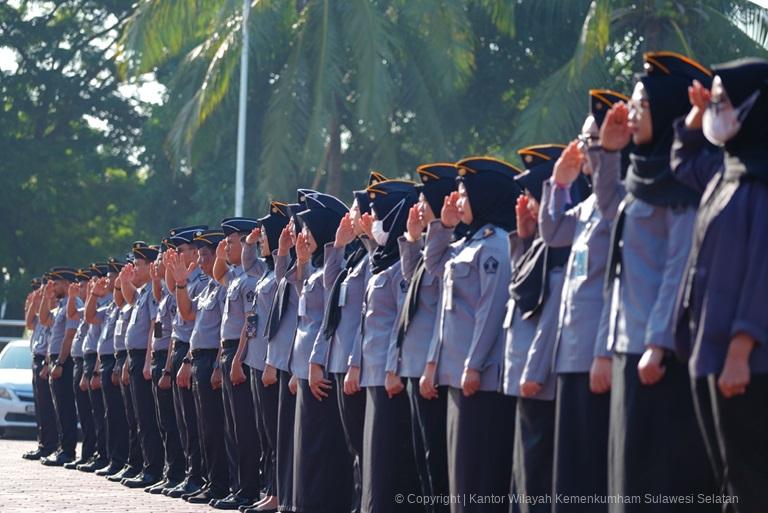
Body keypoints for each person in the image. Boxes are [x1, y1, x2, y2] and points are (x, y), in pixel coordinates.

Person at [595, 50, 718, 512]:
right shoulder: (642, 173)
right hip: (630, 344)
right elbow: (608, 210)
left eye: (642, 105)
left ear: (668, 109)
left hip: (658, 353)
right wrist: (608, 151)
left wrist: (659, 342)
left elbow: (678, 266)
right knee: (625, 479)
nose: (633, 112)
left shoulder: (681, 183)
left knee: (657, 480)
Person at [673, 58, 768, 513]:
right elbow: (682, 159)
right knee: (728, 479)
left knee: (751, 481)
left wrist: (740, 348)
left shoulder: (761, 182)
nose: (716, 110)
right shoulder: (726, 170)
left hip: (747, 362)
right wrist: (697, 116)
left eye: (723, 102)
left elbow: (763, 272)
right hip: (707, 351)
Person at [540, 90, 627, 512]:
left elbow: (616, 282)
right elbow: (552, 232)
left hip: (597, 351)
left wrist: (604, 352)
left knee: (594, 470)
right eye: (583, 139)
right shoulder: (590, 204)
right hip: (571, 352)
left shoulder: (619, 200)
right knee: (570, 470)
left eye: (593, 140)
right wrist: (558, 183)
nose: (585, 149)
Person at [423, 157, 517, 513]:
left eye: (463, 194)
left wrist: (474, 365)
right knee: (460, 473)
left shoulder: (495, 246)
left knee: (477, 475)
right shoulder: (468, 243)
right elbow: (433, 268)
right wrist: (441, 227)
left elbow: (490, 312)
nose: (457, 201)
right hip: (459, 373)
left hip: (480, 377)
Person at [388, 163, 459, 513]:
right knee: (423, 453)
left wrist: (437, 230)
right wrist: (413, 238)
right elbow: (410, 283)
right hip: (415, 364)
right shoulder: (433, 243)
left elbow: (442, 312)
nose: (417, 208)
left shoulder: (451, 246)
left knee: (438, 454)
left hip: (436, 366)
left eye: (423, 201)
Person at [312, 172, 383, 513]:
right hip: (341, 360)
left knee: (363, 447)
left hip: (356, 362)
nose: (350, 216)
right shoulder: (356, 255)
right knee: (354, 446)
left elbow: (366, 319)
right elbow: (331, 294)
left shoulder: (375, 258)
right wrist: (338, 246)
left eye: (355, 210)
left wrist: (354, 362)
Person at [350, 179, 422, 513]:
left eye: (378, 216)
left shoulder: (401, 266)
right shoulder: (382, 260)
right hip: (372, 372)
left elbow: (402, 323)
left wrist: (393, 367)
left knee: (388, 460)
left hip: (388, 374)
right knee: (373, 457)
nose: (372, 222)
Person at [292, 192, 353, 513]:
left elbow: (328, 320)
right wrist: (301, 261)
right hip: (305, 365)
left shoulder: (337, 263)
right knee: (307, 445)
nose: (303, 236)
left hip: (322, 366)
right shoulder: (317, 265)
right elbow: (304, 307)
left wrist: (316, 363)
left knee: (320, 446)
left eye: (308, 229)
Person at [168, 228, 232, 505]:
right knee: (203, 427)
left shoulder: (223, 285)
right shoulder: (206, 286)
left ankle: (220, 484)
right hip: (198, 358)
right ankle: (209, 481)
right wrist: (181, 284)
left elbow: (224, 330)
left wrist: (218, 365)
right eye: (202, 256)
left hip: (212, 360)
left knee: (215, 428)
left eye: (206, 255)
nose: (202, 261)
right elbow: (187, 314)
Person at [238, 203, 290, 513]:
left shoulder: (282, 268)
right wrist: (248, 244)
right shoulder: (264, 270)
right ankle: (271, 490)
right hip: (256, 357)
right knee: (265, 432)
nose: (260, 242)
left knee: (274, 433)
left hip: (271, 360)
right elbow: (247, 265)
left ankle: (277, 493)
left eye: (263, 237)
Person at [211, 216, 263, 511]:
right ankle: (236, 487)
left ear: (247, 244)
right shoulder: (235, 277)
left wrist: (238, 359)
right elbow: (219, 274)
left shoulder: (253, 279)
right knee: (232, 427)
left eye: (231, 242)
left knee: (244, 428)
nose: (226, 247)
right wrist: (221, 255)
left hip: (240, 354)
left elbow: (250, 322)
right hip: (227, 351)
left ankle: (248, 490)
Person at [264, 197, 307, 513]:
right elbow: (282, 285)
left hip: (296, 362)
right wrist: (282, 251)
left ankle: (288, 496)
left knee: (292, 437)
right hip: (283, 361)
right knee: (279, 435)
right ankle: (279, 493)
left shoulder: (313, 266)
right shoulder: (294, 263)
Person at [160, 225, 209, 499]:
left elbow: (193, 323)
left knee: (196, 421)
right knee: (181, 422)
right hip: (181, 350)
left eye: (180, 251)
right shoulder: (186, 281)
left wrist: (187, 360)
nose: (177, 256)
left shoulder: (203, 281)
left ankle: (197, 476)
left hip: (194, 355)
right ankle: (187, 474)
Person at [119, 242, 165, 489]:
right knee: (138, 417)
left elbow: (152, 328)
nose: (134, 270)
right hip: (134, 356)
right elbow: (130, 298)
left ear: (150, 267)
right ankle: (144, 465)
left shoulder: (154, 292)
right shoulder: (144, 293)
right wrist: (126, 281)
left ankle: (153, 469)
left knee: (148, 417)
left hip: (145, 357)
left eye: (138, 266)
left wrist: (148, 360)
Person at [144, 241, 185, 494]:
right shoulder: (162, 297)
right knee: (163, 422)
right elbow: (158, 331)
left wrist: (168, 369)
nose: (157, 265)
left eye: (162, 260)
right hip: (159, 358)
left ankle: (176, 472)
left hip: (169, 360)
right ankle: (170, 472)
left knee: (173, 422)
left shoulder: (176, 296)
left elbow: (173, 336)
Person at [89, 259, 131, 478]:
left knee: (123, 417)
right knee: (110, 415)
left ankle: (123, 460)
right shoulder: (112, 306)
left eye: (114, 275)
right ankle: (114, 459)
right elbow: (89, 317)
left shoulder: (129, 302)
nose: (110, 280)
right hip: (109, 360)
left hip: (123, 360)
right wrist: (93, 295)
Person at [39, 267, 80, 467]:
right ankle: (62, 448)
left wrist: (60, 362)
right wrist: (47, 299)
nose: (53, 287)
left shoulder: (74, 303)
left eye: (56, 283)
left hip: (65, 361)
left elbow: (69, 336)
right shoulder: (61, 305)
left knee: (65, 407)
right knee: (59, 408)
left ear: (66, 283)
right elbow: (44, 320)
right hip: (55, 359)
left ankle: (68, 450)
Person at [77, 263, 113, 473]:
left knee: (107, 414)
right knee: (97, 413)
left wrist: (95, 370)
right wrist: (92, 294)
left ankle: (108, 456)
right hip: (97, 360)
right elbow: (88, 317)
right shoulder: (104, 303)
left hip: (107, 361)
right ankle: (101, 455)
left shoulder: (115, 302)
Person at [22, 278, 58, 461]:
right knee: (41, 406)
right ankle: (43, 443)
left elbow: (53, 341)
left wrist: (46, 363)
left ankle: (51, 445)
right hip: (37, 359)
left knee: (48, 407)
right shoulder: (41, 315)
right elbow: (29, 323)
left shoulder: (54, 314)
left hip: (46, 360)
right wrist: (33, 303)